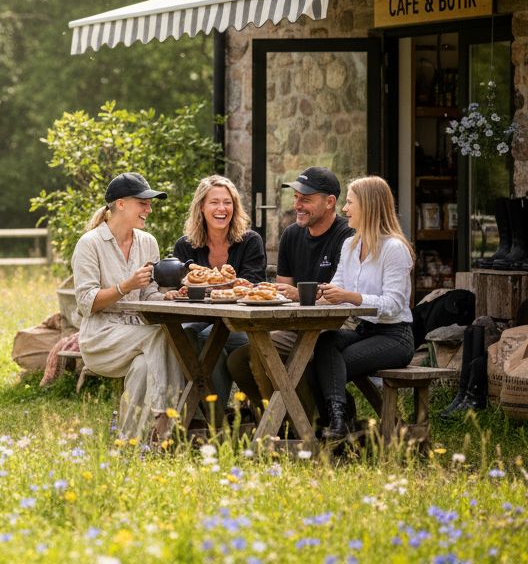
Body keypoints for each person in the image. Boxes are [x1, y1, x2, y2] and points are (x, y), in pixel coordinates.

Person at [226, 166, 354, 410]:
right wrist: (259, 291)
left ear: (330, 202)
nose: (297, 205)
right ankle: (280, 421)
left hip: (336, 328)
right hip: (297, 324)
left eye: (305, 199)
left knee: (264, 352)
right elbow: (283, 294)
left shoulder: (347, 237)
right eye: (296, 198)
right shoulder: (291, 235)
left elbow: (344, 297)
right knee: (239, 360)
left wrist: (300, 296)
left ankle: (309, 421)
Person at [72, 172, 183, 439]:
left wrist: (166, 297)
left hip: (137, 337)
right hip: (101, 339)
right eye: (142, 202)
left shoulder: (148, 242)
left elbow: (149, 295)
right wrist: (125, 286)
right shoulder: (90, 244)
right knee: (160, 334)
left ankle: (130, 442)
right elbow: (86, 303)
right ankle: (166, 421)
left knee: (144, 367)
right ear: (121, 204)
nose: (149, 208)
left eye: (149, 203)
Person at [311, 175, 415, 440]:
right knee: (323, 346)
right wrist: (312, 296)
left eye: (349, 202)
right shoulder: (350, 245)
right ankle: (344, 422)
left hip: (395, 337)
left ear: (368, 206)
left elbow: (393, 305)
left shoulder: (394, 249)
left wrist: (350, 296)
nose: (345, 209)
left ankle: (339, 425)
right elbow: (337, 289)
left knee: (329, 366)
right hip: (365, 331)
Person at [164, 175, 265, 401]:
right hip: (202, 318)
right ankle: (214, 415)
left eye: (227, 202)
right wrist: (172, 292)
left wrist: (209, 286)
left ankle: (211, 415)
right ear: (201, 207)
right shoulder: (185, 245)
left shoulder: (250, 241)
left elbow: (252, 285)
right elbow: (178, 286)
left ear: (234, 206)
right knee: (185, 334)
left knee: (207, 340)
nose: (222, 208)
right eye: (214, 202)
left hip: (241, 322)